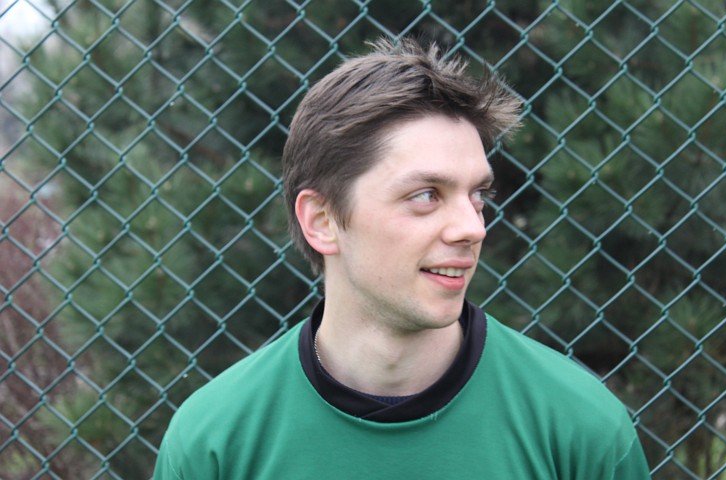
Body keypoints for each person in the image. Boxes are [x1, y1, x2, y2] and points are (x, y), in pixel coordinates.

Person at [153, 38, 651, 479]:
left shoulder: (581, 430)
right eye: (426, 195)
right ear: (322, 220)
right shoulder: (215, 442)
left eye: (478, 196)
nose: (472, 228)